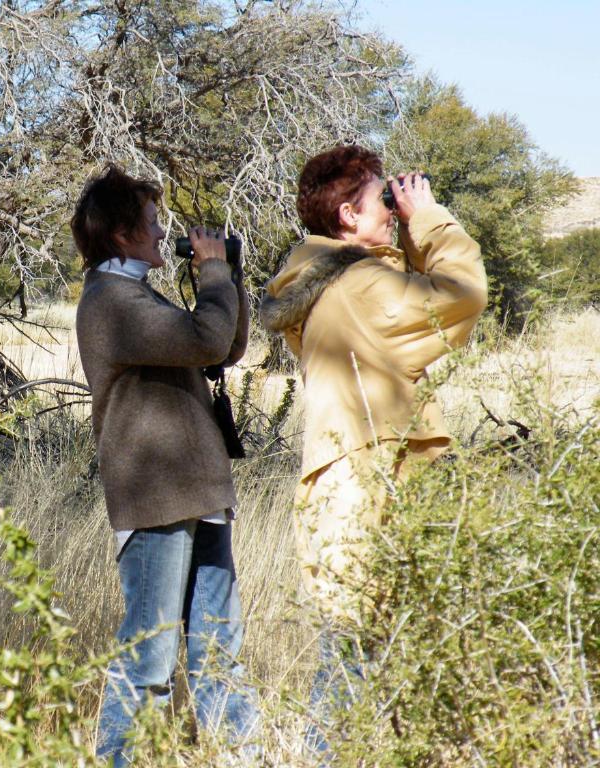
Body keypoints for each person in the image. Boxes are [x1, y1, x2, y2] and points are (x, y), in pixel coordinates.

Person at [258, 145, 488, 753]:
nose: (391, 210)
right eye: (379, 201)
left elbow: (407, 306)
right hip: (368, 488)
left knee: (362, 655)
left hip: (347, 484)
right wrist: (430, 220)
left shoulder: (323, 283)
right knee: (355, 662)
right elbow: (461, 296)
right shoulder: (361, 285)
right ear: (345, 218)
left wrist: (403, 238)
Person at [72, 164, 255, 766]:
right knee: (148, 657)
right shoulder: (110, 302)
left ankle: (241, 755)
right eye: (151, 223)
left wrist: (228, 272)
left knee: (217, 648)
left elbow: (226, 343)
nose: (161, 234)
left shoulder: (138, 294)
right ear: (121, 235)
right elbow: (206, 338)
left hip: (198, 491)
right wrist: (210, 272)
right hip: (154, 497)